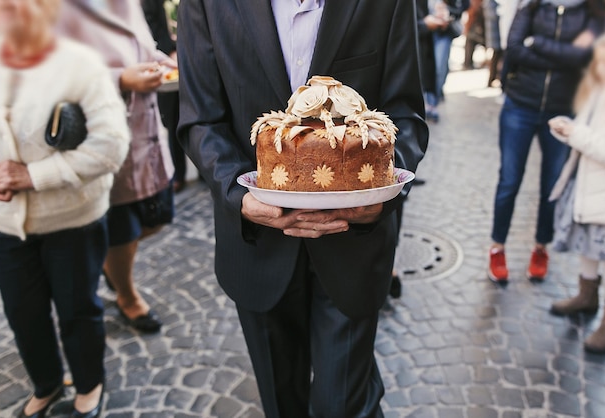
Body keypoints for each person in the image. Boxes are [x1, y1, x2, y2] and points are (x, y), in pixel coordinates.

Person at [177, 1, 428, 416]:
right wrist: (239, 194)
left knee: (343, 405)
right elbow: (200, 119)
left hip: (355, 245)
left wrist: (379, 198)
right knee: (281, 403)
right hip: (256, 246)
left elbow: (407, 115)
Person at [0, 0, 130, 416]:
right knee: (22, 313)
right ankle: (46, 385)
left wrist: (30, 176)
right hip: (2, 222)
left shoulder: (79, 65)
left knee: (78, 310)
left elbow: (110, 147)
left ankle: (89, 386)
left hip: (73, 220)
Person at [58, 0, 176, 333]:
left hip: (144, 129)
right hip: (99, 132)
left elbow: (139, 45)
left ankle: (113, 271)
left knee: (154, 218)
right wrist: (120, 79)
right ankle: (126, 294)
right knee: (122, 226)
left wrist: (161, 62)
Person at [488, 0, 605, 284]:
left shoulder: (593, 11)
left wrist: (537, 43)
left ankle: (541, 247)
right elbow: (514, 49)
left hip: (563, 110)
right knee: (509, 181)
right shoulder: (530, 6)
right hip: (519, 105)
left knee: (551, 184)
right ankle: (497, 246)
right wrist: (561, 56)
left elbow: (582, 57)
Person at [548, 33, 605, 353]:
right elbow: (588, 135)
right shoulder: (598, 92)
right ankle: (587, 297)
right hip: (591, 188)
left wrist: (577, 133)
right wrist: (567, 130)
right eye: (597, 62)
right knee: (589, 248)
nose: (600, 68)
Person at [141, 0, 187, 193]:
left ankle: (205, 172)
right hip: (167, 63)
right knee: (173, 120)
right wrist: (169, 50)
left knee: (206, 110)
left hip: (193, 57)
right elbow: (149, 24)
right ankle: (178, 173)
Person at [426, 0, 470, 122]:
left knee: (439, 67)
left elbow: (464, 6)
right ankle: (428, 99)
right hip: (426, 30)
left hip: (444, 31)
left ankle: (433, 102)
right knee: (427, 67)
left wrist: (448, 12)